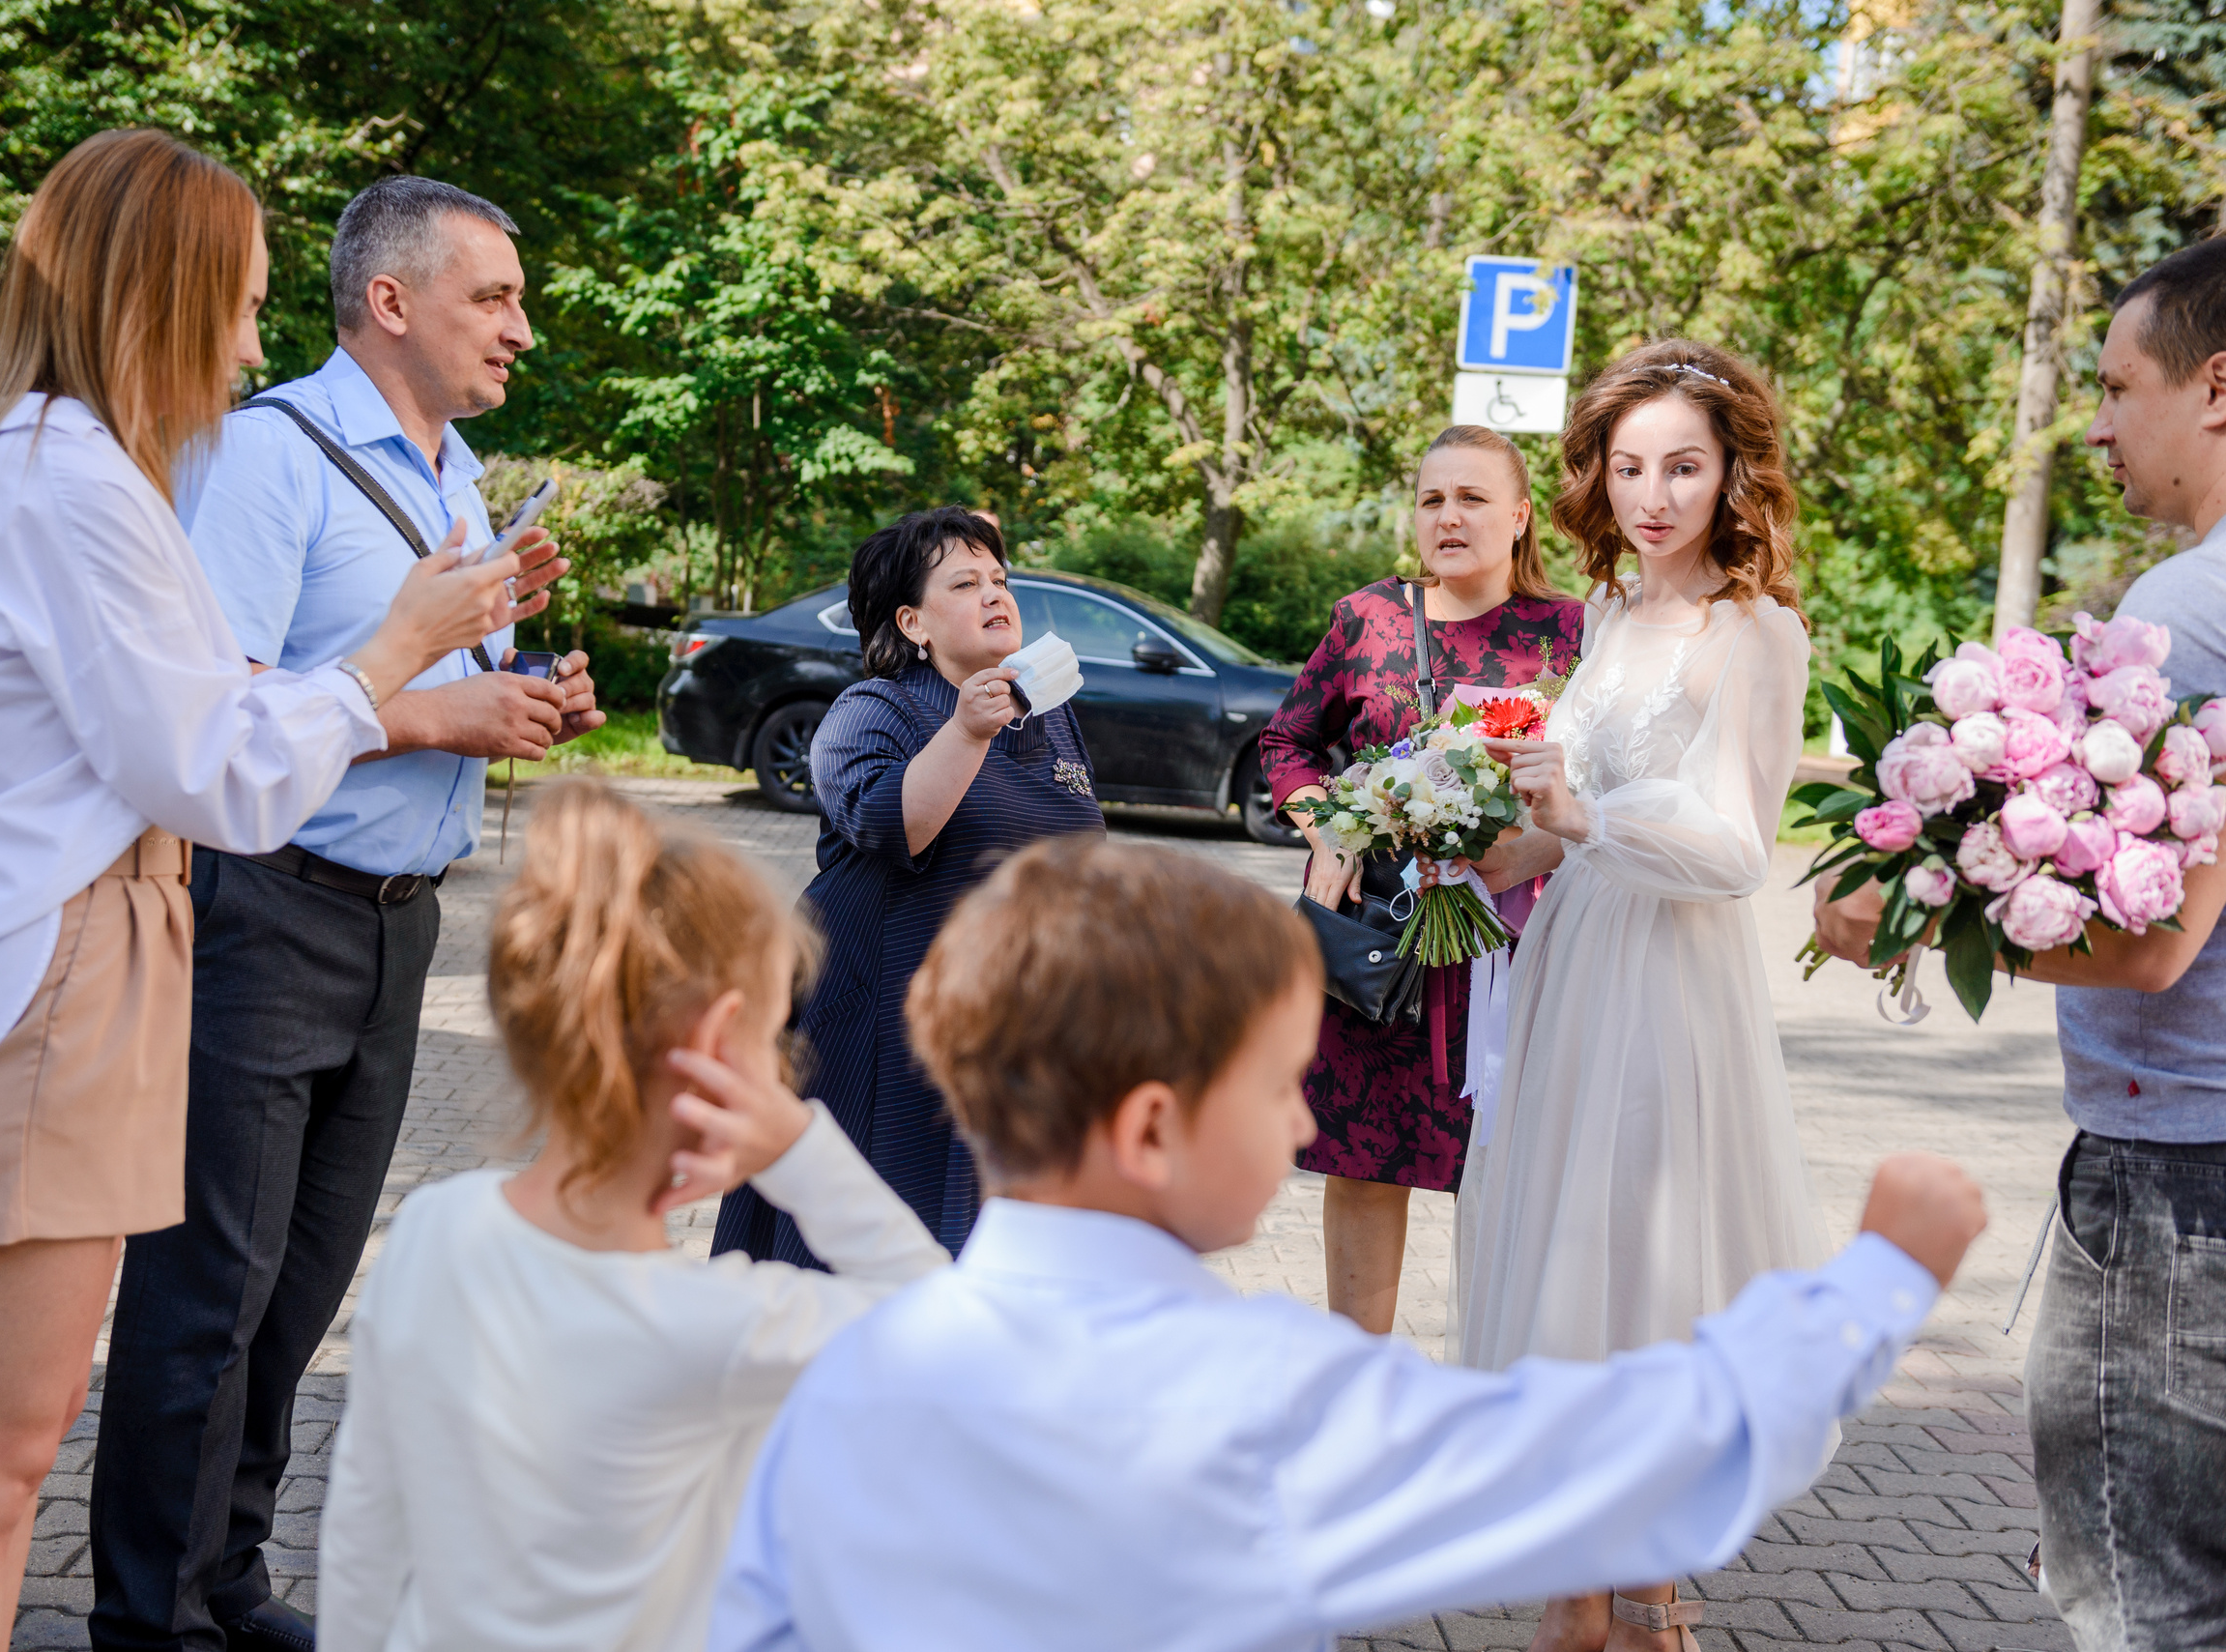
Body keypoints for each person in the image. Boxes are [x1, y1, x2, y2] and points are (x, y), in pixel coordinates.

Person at [706, 836, 1989, 1652]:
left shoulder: (856, 1378)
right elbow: (1632, 1454)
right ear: (1154, 1128)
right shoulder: (1257, 1395)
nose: (1308, 1116)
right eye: (1278, 1085)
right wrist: (1874, 1279)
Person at [0, 130, 541, 1652]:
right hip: (85, 952)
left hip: (113, 939)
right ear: (155, 298)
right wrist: (393, 663)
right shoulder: (84, 486)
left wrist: (440, 649)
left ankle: (207, 1585)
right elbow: (216, 760)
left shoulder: (67, 468)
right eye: (232, 304)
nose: (249, 344)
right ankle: (154, 1614)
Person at [88, 175, 600, 1651]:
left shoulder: (454, 479)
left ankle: (227, 1582)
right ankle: (150, 1618)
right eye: (492, 296)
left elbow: (422, 687)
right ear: (391, 301)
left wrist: (523, 702)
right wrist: (442, 716)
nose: (520, 327)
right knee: (210, 1296)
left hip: (396, 926)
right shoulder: (268, 458)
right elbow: (221, 712)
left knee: (300, 1292)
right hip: (267, 910)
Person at [1815, 238, 2226, 1652]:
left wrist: (1907, 916)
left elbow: (2159, 942)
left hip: (2182, 1192)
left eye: (2120, 388)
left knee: (2146, 1599)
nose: (2101, 426)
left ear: (2220, 387)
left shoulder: (2190, 613)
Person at [315, 781, 946, 1651]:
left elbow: (362, 1528)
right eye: (774, 1038)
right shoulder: (715, 1324)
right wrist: (797, 1144)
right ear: (724, 1045)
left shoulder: (431, 1229)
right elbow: (951, 1329)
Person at [1457, 340, 1828, 1652]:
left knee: (1643, 1271)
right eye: (1628, 467)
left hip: (1671, 992)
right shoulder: (1610, 617)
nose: (1653, 494)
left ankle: (1651, 1604)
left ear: (1733, 474)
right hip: (1578, 961)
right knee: (1565, 1255)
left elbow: (1735, 850)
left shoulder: (1757, 632)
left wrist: (1585, 813)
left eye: (1683, 464)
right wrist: (1495, 835)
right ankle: (1573, 1600)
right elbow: (1575, 818)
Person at [711, 506, 1103, 1265]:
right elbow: (895, 826)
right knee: (875, 1244)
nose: (995, 593)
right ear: (913, 622)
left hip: (1011, 1029)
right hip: (880, 1022)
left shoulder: (1051, 718)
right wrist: (964, 733)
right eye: (965, 582)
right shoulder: (874, 710)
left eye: (999, 577)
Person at [1260, 424, 1583, 1335]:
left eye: (1473, 497)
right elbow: (1286, 742)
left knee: (1514, 1168)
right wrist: (1328, 825)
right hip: (1379, 946)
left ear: (1520, 516)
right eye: (1433, 498)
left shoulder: (1571, 634)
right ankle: (1356, 1381)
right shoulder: (1370, 618)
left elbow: (1605, 780)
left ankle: (1498, 1380)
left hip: (1514, 946)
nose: (1450, 515)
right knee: (1367, 1165)